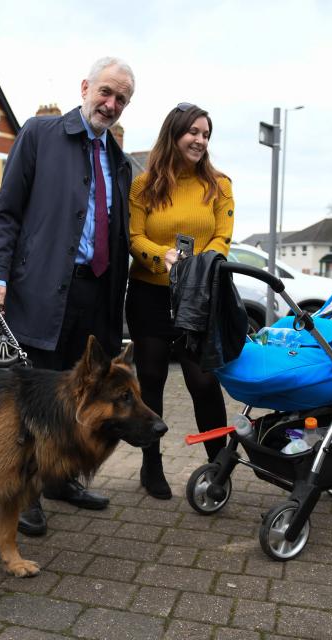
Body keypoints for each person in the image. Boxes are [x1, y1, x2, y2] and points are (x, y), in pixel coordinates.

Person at [0, 57, 136, 536]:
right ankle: (25, 496)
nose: (110, 105)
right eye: (106, 92)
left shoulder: (120, 161)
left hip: (99, 294)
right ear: (86, 86)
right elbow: (5, 213)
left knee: (81, 399)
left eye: (121, 100)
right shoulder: (39, 134)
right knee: (35, 401)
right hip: (44, 289)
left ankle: (63, 481)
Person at [126, 103, 234, 500]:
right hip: (149, 295)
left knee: (203, 383)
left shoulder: (219, 185)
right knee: (151, 381)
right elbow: (135, 237)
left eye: (206, 134)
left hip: (199, 298)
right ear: (173, 134)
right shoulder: (144, 185)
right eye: (193, 132)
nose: (200, 140)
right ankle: (150, 465)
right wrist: (163, 256)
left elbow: (223, 237)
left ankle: (218, 467)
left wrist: (201, 266)